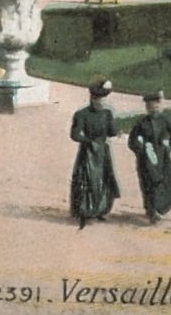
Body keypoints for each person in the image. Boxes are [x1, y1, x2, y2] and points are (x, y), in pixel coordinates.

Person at [69, 77, 121, 229]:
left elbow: (112, 131)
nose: (101, 102)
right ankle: (85, 210)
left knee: (104, 180)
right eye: (98, 99)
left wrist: (116, 131)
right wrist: (88, 141)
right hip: (88, 153)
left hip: (103, 152)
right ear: (92, 98)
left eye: (104, 98)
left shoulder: (107, 114)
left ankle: (101, 209)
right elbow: (75, 134)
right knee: (87, 180)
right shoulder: (82, 114)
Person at [128, 91, 171, 224]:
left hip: (161, 156)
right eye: (150, 107)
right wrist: (140, 147)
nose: (153, 109)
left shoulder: (165, 120)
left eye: (156, 107)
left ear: (160, 106)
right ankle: (150, 210)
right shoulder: (142, 122)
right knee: (147, 183)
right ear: (147, 108)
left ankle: (158, 209)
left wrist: (170, 145)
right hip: (145, 157)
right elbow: (132, 140)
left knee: (159, 183)